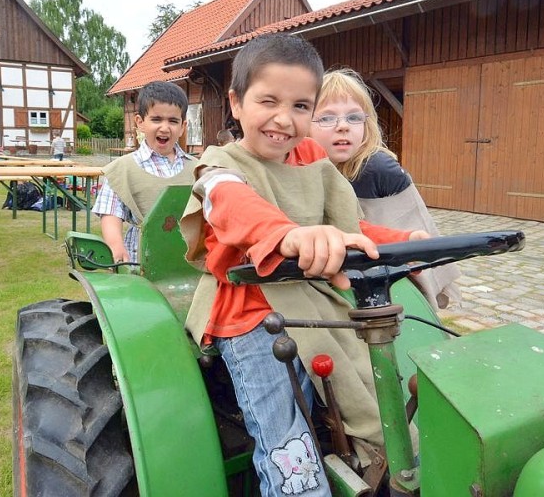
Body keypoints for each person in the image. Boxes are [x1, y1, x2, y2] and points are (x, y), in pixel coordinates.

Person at [180, 34, 429, 496]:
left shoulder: (314, 163)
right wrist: (290, 234)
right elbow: (234, 207)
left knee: (386, 385)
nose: (283, 119)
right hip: (253, 313)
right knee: (286, 438)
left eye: (300, 106)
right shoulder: (219, 168)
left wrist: (406, 241)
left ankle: (387, 460)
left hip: (318, 299)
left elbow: (348, 227)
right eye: (267, 101)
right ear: (236, 103)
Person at [309, 68, 461, 310]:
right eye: (327, 118)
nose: (342, 126)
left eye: (354, 117)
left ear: (366, 123)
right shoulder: (305, 171)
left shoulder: (377, 169)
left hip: (391, 276)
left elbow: (411, 237)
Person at [93, 81, 196, 263]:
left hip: (188, 258)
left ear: (183, 126)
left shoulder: (197, 168)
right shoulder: (123, 169)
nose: (165, 128)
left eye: (173, 121)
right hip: (141, 259)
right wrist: (116, 245)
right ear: (140, 122)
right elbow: (110, 213)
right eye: (156, 119)